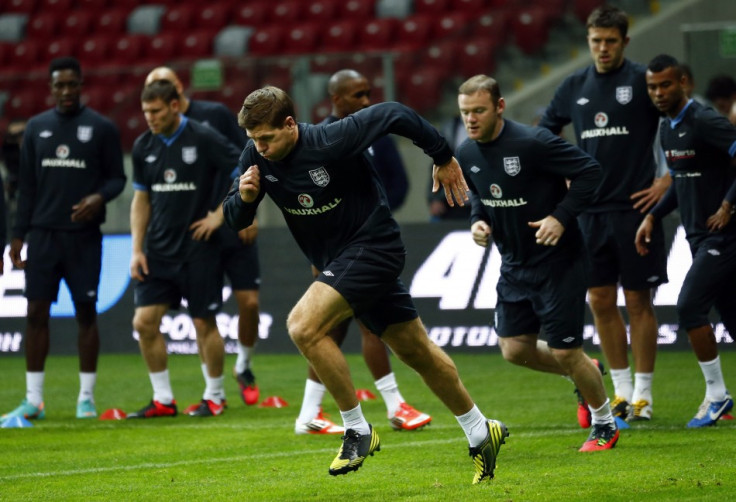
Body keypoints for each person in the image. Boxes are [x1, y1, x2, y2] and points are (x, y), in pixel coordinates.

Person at [223, 86, 508, 483]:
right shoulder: (255, 156)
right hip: (341, 261)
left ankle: (356, 428)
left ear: (290, 125)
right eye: (254, 140)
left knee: (303, 326)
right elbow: (234, 219)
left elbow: (394, 111)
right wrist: (244, 197)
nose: (260, 147)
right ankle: (481, 430)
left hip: (374, 246)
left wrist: (442, 156)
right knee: (417, 351)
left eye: (267, 138)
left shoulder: (331, 138)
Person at [456, 74, 618, 451]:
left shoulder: (534, 142)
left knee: (565, 350)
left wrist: (561, 216)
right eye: (465, 112)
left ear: (499, 107)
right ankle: (585, 373)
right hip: (513, 264)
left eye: (479, 110)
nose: (471, 119)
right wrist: (477, 222)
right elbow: (480, 196)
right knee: (514, 350)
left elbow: (590, 172)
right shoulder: (465, 152)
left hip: (559, 263)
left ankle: (605, 423)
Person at [538, 5, 669, 424]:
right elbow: (544, 134)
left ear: (625, 42)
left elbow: (682, 122)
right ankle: (622, 391)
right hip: (588, 213)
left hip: (635, 208)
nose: (603, 48)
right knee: (599, 300)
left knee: (638, 301)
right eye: (596, 41)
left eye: (611, 40)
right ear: (588, 41)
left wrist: (669, 178)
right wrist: (562, 179)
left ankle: (644, 395)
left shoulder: (643, 81)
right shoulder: (574, 85)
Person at [294, 69, 431, 435]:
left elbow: (399, 183)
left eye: (368, 93)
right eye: (358, 95)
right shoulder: (315, 140)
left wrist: (375, 213)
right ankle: (393, 405)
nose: (367, 100)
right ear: (336, 99)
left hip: (369, 241)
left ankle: (309, 412)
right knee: (371, 324)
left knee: (335, 329)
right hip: (335, 249)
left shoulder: (376, 134)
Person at [1, 57, 126, 421]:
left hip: (83, 238)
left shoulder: (101, 128)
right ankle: (33, 400)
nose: (67, 91)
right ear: (51, 87)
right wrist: (17, 235)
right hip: (42, 235)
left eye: (72, 84)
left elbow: (117, 178)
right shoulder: (36, 129)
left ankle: (85, 399)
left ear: (81, 85)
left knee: (86, 313)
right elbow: (26, 187)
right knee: (36, 312)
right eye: (60, 85)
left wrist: (97, 198)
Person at [144, 67, 262, 406]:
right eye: (149, 91)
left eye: (160, 89)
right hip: (198, 237)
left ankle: (245, 366)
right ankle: (210, 391)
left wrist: (246, 210)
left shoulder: (212, 116)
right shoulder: (157, 132)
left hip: (232, 220)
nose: (154, 98)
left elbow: (247, 159)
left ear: (176, 89)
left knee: (249, 303)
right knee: (202, 314)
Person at [126, 80, 241, 419]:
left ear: (175, 106)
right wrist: (136, 249)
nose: (150, 118)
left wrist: (220, 216)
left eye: (156, 111)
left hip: (198, 248)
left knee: (204, 321)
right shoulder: (143, 145)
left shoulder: (203, 136)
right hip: (158, 250)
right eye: (146, 111)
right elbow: (141, 199)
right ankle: (163, 399)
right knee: (144, 322)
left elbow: (244, 172)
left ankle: (215, 396)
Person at [637, 54, 735, 427]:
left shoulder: (706, 120)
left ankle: (716, 397)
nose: (659, 93)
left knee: (689, 307)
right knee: (731, 317)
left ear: (683, 83)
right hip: (696, 235)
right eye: (652, 87)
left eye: (665, 85)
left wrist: (728, 204)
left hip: (722, 235)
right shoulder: (667, 128)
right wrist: (652, 216)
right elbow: (681, 180)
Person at [428, 115, 471, 221]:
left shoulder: (493, 128)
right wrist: (435, 198)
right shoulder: (450, 128)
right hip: (452, 205)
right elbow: (438, 163)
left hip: (484, 203)